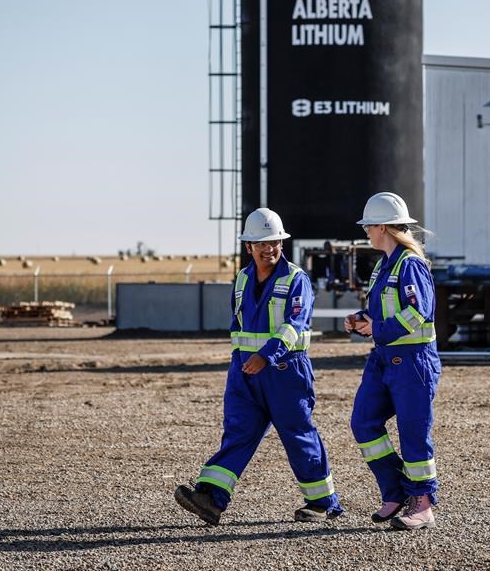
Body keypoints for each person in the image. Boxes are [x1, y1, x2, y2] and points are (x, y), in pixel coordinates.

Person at [175, 208, 343, 524]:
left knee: (297, 434)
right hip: (245, 373)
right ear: (248, 247)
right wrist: (239, 363)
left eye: (274, 242)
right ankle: (211, 497)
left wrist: (266, 355)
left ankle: (322, 502)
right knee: (238, 432)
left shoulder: (296, 279)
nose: (269, 249)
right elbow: (238, 326)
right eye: (261, 243)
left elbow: (295, 324)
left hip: (285, 372)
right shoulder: (242, 279)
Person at [345, 192, 442, 531]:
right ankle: (396, 490)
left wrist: (379, 327)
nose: (366, 232)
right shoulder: (384, 264)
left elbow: (419, 313)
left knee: (413, 433)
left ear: (383, 227)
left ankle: (423, 504)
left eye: (368, 226)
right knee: (363, 423)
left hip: (413, 362)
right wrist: (361, 319)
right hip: (385, 359)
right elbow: (381, 312)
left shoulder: (410, 263)